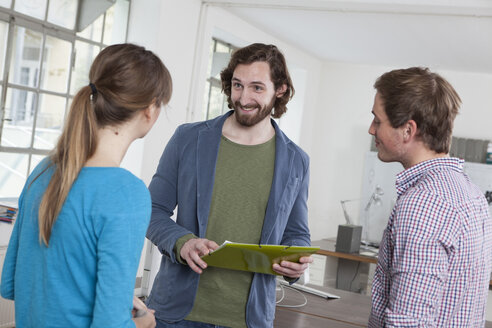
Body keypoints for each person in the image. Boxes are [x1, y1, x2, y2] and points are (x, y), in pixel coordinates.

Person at [0, 43, 172, 328]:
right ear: (150, 108)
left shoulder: (44, 171)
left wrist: (108, 298)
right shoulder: (126, 193)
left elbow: (10, 282)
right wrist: (144, 323)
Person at [145, 43, 312, 328]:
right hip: (177, 314)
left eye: (257, 88)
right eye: (237, 85)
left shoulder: (296, 161)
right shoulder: (188, 139)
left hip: (249, 319)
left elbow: (296, 232)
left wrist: (295, 258)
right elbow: (151, 210)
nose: (244, 98)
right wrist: (182, 243)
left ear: (280, 90)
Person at [367, 67, 492, 327]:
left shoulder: (423, 203)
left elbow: (407, 322)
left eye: (378, 121)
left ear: (408, 130)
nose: (371, 130)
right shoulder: (471, 193)